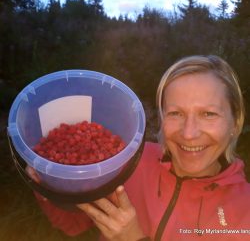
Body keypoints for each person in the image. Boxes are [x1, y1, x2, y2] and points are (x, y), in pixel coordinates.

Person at [28, 55, 250, 240]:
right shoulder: (130, 160)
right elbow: (75, 223)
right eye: (175, 113)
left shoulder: (244, 211)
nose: (189, 133)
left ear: (235, 121)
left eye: (208, 114)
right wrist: (50, 189)